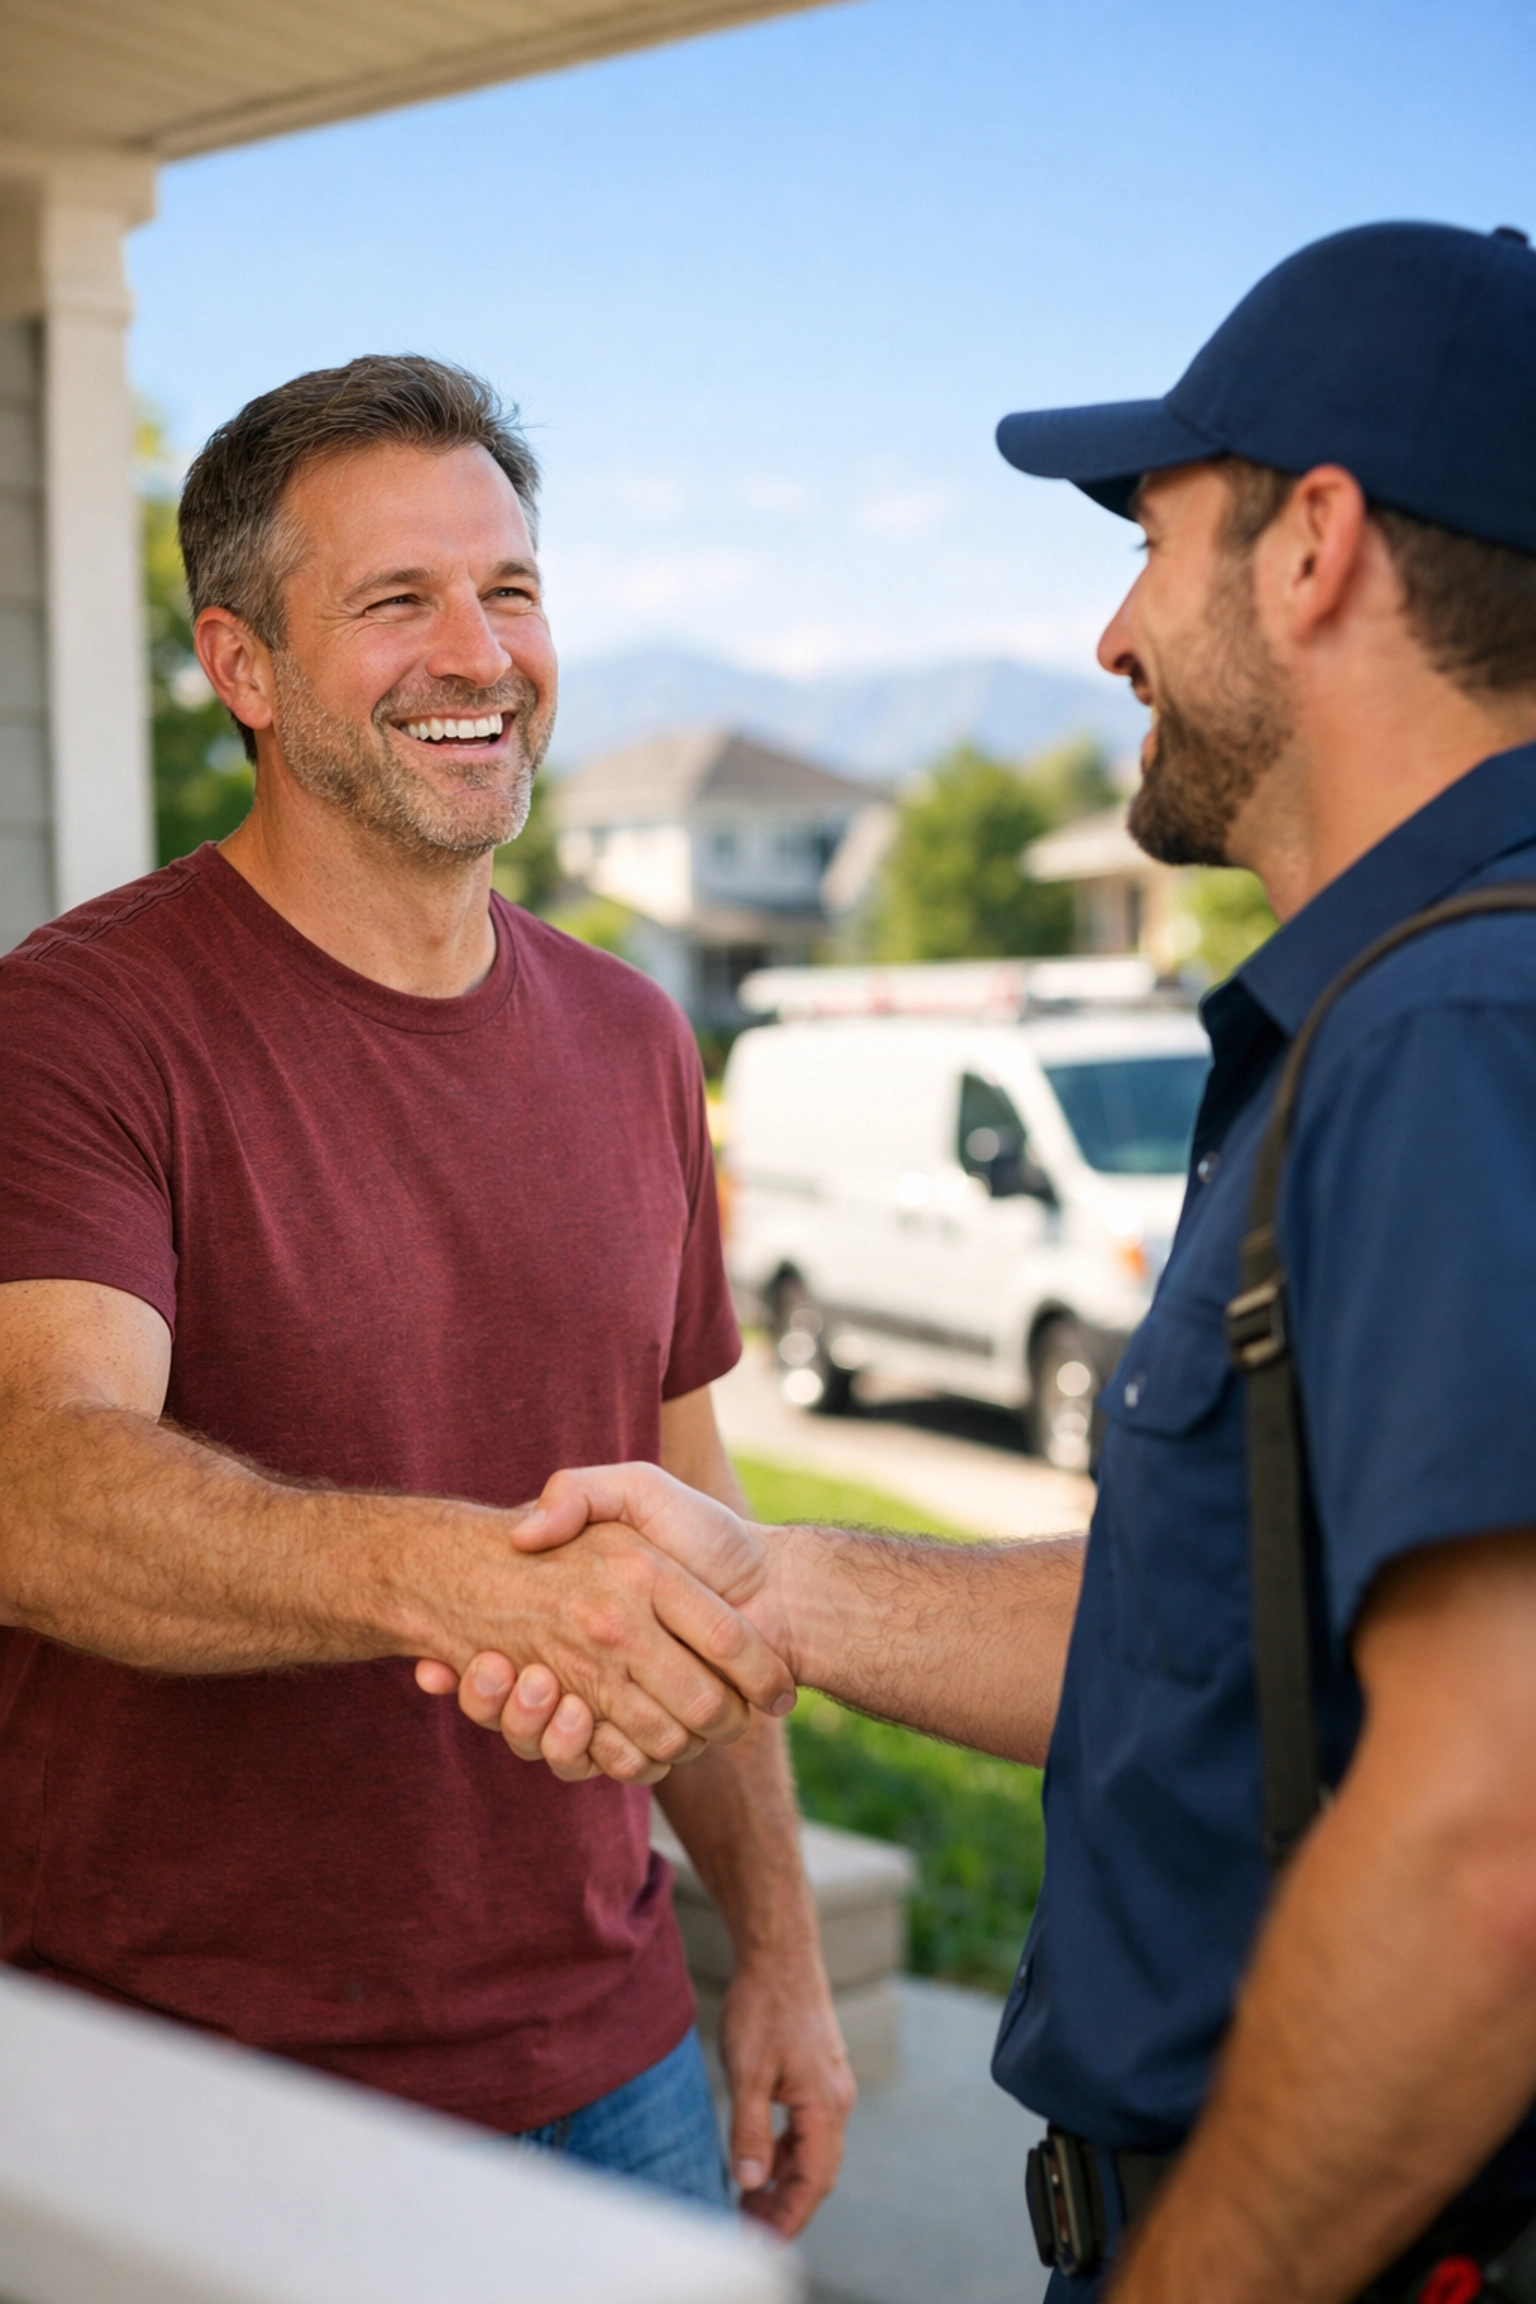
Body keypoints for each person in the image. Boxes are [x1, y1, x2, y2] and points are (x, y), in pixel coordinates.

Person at [426, 221, 1536, 2301]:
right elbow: (1243, 1643)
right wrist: (772, 1585)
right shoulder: (1397, 1010)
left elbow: (1499, 1841)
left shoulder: (1455, 1029)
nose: (1114, 635)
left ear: (1314, 547)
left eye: (1153, 540)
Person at [0, 356, 853, 2231]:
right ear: (243, 667)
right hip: (202, 2100)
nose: (482, 652)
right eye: (398, 600)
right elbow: (39, 1494)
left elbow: (702, 1536)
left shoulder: (635, 1039)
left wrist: (775, 1950)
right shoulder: (82, 1022)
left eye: (514, 589)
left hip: (614, 2060)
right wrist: (469, 1578)